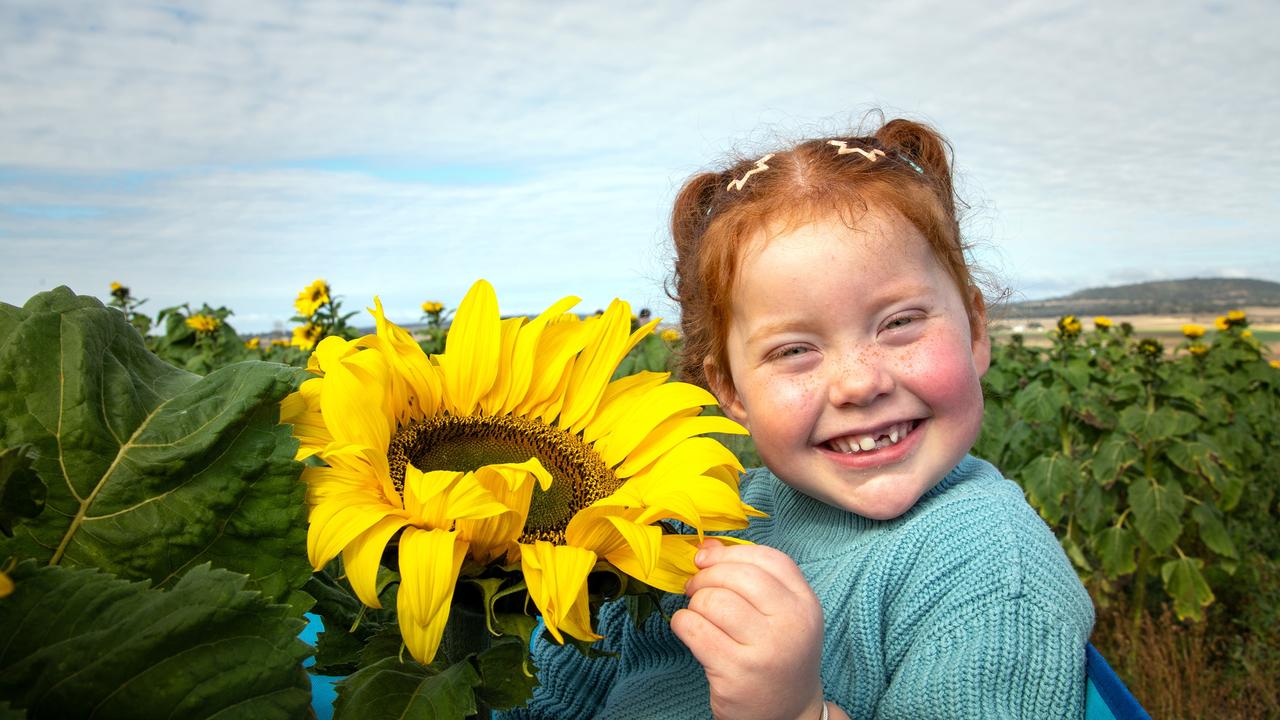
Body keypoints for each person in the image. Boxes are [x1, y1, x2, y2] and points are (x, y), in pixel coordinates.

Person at [502, 116, 1095, 719]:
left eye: (899, 323)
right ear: (730, 389)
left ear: (974, 330)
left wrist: (791, 711)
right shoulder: (693, 517)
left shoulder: (992, 571)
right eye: (793, 351)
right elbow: (549, 696)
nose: (860, 383)